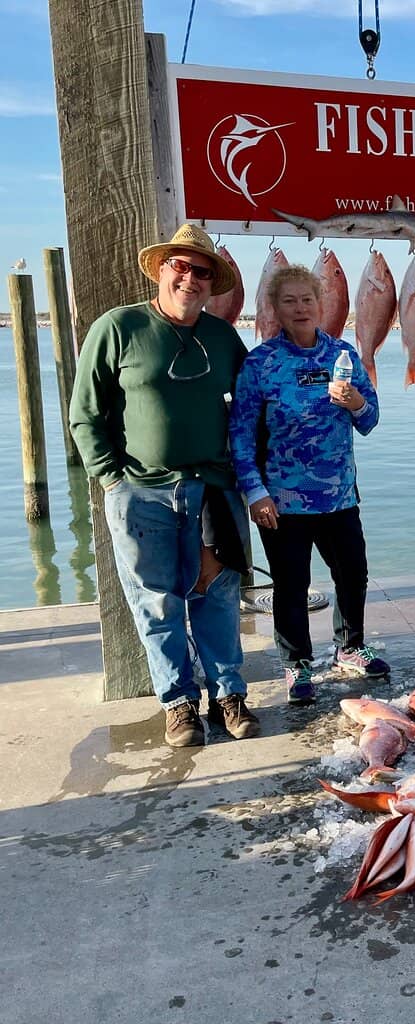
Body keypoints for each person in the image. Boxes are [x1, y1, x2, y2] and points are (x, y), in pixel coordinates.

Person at [69, 224, 259, 748]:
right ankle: (177, 703)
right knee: (155, 602)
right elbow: (85, 414)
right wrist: (111, 479)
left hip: (213, 490)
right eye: (180, 265)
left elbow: (250, 409)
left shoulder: (223, 337)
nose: (190, 278)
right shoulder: (117, 327)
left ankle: (229, 695)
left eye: (202, 271)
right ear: (160, 269)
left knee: (217, 596)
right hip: (139, 493)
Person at [229, 264, 389, 705]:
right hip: (282, 500)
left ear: (322, 305)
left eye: (307, 300)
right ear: (274, 308)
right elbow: (240, 435)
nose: (300, 308)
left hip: (339, 494)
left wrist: (357, 402)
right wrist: (254, 491)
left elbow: (371, 420)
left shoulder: (343, 355)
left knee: (353, 574)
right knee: (290, 584)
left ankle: (351, 648)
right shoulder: (260, 363)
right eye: (289, 301)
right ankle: (296, 663)